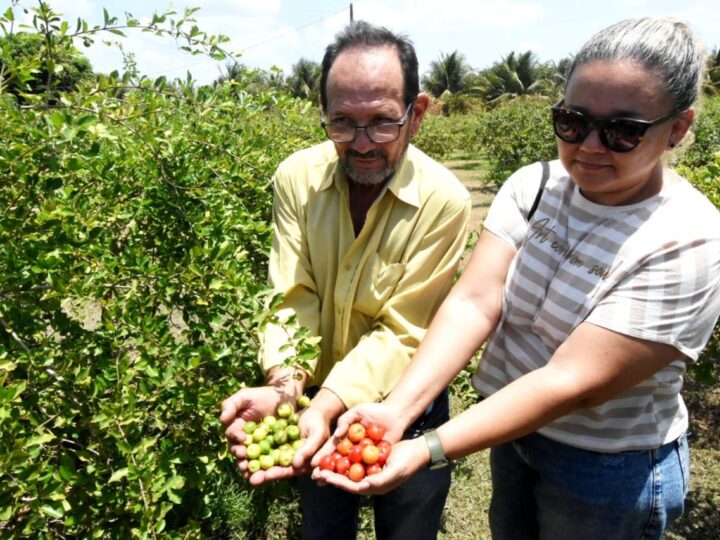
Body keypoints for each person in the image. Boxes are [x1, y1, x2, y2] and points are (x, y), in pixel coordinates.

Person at [315, 17, 720, 540]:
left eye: (623, 131)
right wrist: (396, 412)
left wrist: (427, 446)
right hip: (511, 437)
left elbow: (572, 383)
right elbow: (474, 303)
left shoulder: (688, 242)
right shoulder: (535, 186)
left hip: (605, 469)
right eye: (574, 122)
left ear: (678, 128)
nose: (592, 145)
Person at [219, 21, 471, 540]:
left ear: (416, 114)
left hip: (406, 407)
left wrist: (329, 404)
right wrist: (288, 390)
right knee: (324, 525)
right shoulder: (297, 178)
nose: (361, 144)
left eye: (381, 123)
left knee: (408, 527)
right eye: (341, 123)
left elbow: (405, 328)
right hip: (312, 404)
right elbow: (293, 295)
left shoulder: (444, 201)